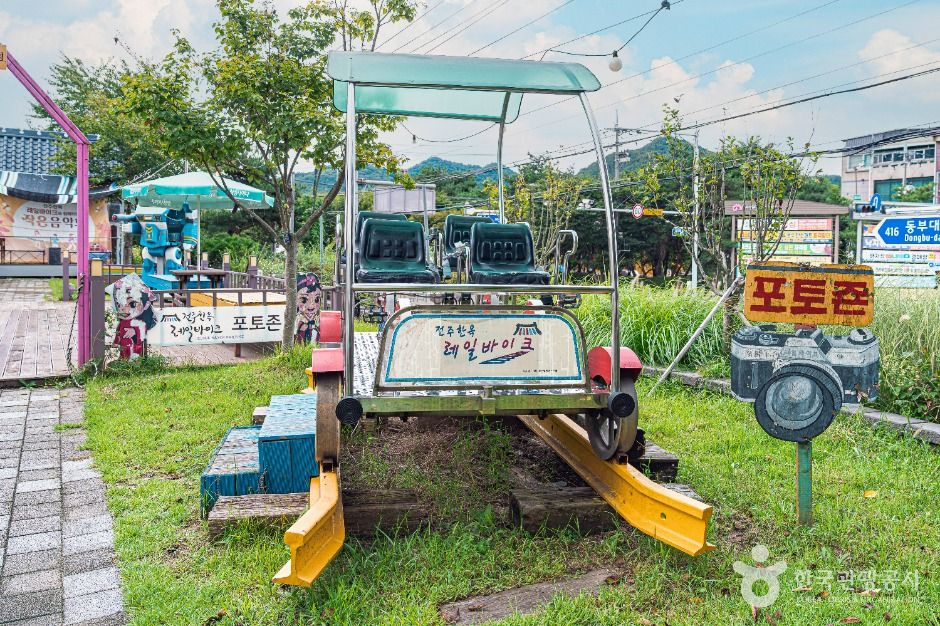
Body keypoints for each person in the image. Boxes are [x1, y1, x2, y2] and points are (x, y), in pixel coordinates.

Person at [295, 272, 322, 344]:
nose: (311, 306)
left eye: (316, 299)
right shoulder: (296, 320)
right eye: (303, 300)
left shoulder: (318, 321)